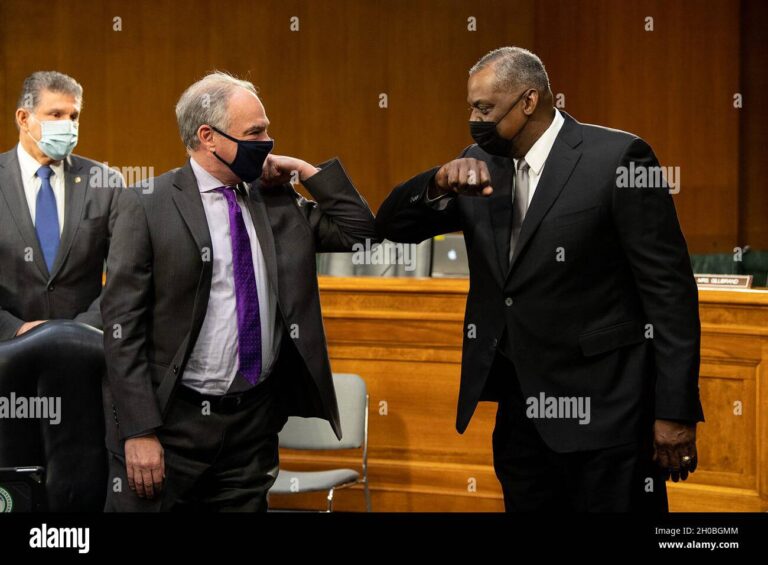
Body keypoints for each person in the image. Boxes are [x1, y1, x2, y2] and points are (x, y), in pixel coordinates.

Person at [376, 47, 703, 512]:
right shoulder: (478, 164)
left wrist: (675, 411)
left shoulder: (617, 158)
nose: (473, 119)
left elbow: (669, 294)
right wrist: (435, 183)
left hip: (608, 416)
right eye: (471, 107)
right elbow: (388, 227)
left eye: (484, 108)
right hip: (521, 417)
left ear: (528, 101)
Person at [101, 72, 377, 511]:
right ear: (209, 137)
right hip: (171, 423)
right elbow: (122, 327)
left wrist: (307, 173)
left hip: (252, 424)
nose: (268, 141)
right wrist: (138, 431)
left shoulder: (278, 199)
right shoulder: (146, 203)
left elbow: (361, 233)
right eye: (256, 132)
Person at [0, 71, 122, 340]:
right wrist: (14, 329)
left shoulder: (105, 182)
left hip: (86, 350)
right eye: (56, 115)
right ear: (23, 118)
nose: (68, 125)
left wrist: (77, 330)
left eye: (74, 116)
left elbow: (125, 275)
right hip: (5, 356)